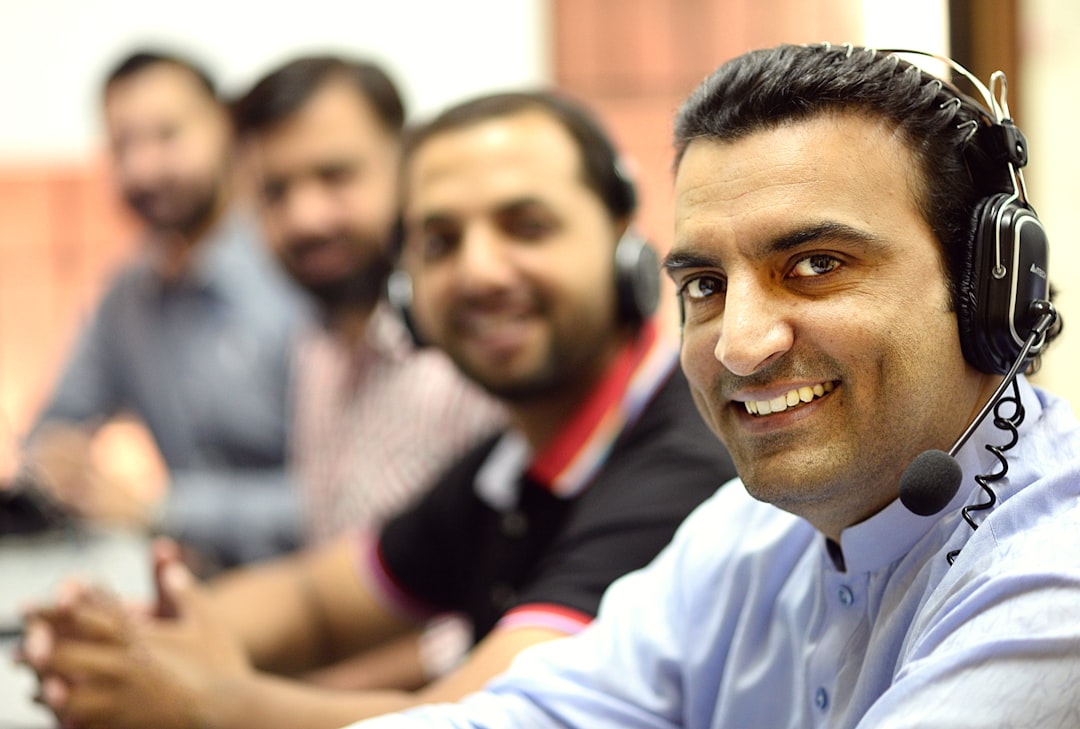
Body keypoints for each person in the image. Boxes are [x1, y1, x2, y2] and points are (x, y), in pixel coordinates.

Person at [333, 42, 1079, 728]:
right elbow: (530, 714)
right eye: (705, 283)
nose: (740, 345)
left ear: (990, 288)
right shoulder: (743, 536)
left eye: (816, 265)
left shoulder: (1051, 584)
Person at [19, 90, 738, 728]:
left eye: (526, 226)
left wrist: (208, 703)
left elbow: (484, 718)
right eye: (440, 241)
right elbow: (317, 599)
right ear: (408, 291)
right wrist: (128, 642)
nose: (479, 271)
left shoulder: (684, 461)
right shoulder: (509, 463)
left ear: (627, 249)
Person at [22, 48, 310, 569]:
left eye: (167, 136)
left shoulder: (301, 270)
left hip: (318, 594)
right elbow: (54, 424)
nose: (143, 167)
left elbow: (345, 498)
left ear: (226, 129)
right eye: (122, 144)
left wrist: (163, 508)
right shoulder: (127, 296)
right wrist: (57, 460)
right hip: (190, 587)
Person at [231, 55, 504, 545]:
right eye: (275, 192)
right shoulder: (315, 346)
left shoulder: (473, 349)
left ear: (408, 164)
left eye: (335, 176)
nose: (305, 218)